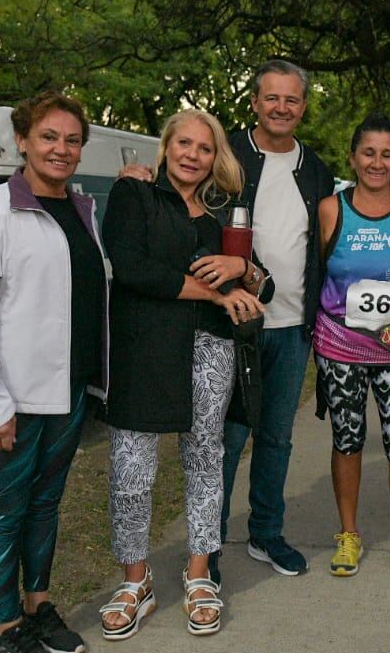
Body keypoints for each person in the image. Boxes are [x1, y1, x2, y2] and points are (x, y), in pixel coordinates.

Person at [117, 60, 334, 583]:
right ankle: (206, 548)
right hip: (231, 328)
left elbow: (318, 243)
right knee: (225, 442)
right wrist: (137, 174)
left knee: (277, 437)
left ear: (303, 107)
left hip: (288, 321)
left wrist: (249, 271)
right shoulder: (225, 156)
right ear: (255, 102)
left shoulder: (317, 170)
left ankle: (266, 532)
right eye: (272, 97)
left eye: (293, 99)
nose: (282, 107)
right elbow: (158, 236)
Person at [0, 91, 105, 653]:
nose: (61, 149)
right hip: (12, 397)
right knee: (7, 509)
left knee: (46, 504)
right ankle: (4, 631)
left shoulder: (84, 210)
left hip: (66, 391)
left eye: (71, 140)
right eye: (49, 137)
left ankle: (37, 608)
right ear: (22, 141)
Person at [99, 109, 270, 639]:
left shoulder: (224, 215)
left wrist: (241, 269)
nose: (193, 155)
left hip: (210, 349)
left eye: (204, 147)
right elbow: (133, 268)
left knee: (204, 461)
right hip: (143, 351)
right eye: (184, 144)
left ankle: (199, 574)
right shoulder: (136, 196)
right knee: (131, 470)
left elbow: (262, 286)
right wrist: (216, 291)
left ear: (215, 156)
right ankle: (135, 580)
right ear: (166, 147)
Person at [315, 112, 390, 584]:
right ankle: (348, 534)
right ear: (353, 157)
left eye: (387, 154)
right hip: (340, 343)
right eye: (369, 152)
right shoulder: (332, 209)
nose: (377, 162)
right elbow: (316, 273)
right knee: (346, 440)